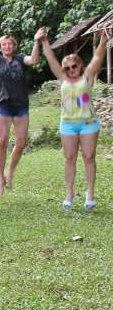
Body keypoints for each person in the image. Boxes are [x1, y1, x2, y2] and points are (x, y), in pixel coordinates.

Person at [40, 28, 109, 211]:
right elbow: (51, 59)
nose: (70, 70)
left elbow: (97, 58)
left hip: (88, 124)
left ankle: (90, 194)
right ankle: (69, 194)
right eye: (67, 67)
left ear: (80, 66)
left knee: (88, 157)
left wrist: (103, 41)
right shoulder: (63, 79)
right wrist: (44, 41)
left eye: (74, 66)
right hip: (68, 125)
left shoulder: (87, 77)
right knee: (69, 158)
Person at [0, 22, 45, 195]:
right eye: (4, 44)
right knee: (2, 142)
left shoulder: (20, 59)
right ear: (0, 47)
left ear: (14, 46)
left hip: (21, 107)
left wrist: (36, 42)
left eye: (10, 44)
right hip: (3, 106)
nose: (7, 46)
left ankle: (9, 172)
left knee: (21, 143)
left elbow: (33, 60)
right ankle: (0, 180)